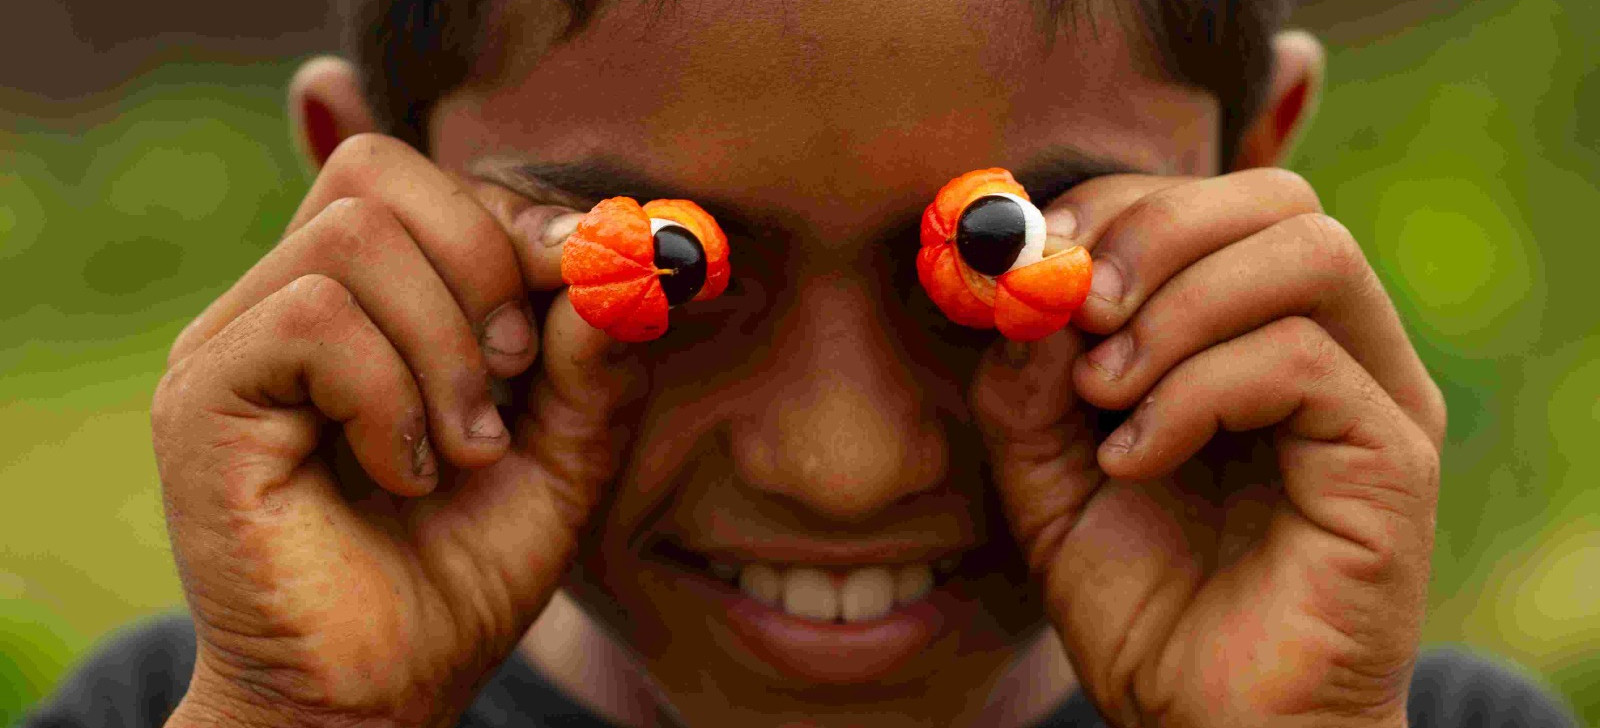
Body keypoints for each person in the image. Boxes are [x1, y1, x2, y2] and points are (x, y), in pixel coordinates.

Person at [22, 1, 1582, 726]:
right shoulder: (188, 709)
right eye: (669, 271)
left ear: (1249, 173)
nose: (844, 468)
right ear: (371, 208)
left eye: (998, 259)